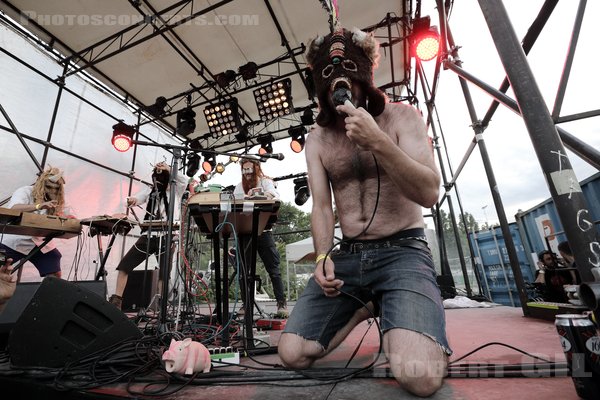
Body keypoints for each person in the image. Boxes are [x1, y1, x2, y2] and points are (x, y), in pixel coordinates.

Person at [277, 27, 450, 397]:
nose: (341, 91)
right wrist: (323, 255)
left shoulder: (404, 118)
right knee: (292, 352)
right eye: (331, 84)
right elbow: (323, 207)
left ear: (364, 80)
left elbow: (429, 192)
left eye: (349, 80)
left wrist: (379, 142)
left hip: (404, 250)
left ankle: (397, 306)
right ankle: (367, 303)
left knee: (419, 377)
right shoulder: (318, 140)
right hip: (350, 257)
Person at [108, 161, 187, 310]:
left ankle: (160, 307)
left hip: (167, 236)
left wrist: (168, 168)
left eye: (162, 178)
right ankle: (116, 302)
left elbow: (185, 180)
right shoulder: (150, 191)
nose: (158, 182)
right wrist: (130, 201)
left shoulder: (176, 190)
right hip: (149, 235)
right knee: (125, 265)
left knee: (164, 273)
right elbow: (134, 200)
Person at [233, 158, 288, 318]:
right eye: (244, 170)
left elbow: (276, 197)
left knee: (273, 269)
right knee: (244, 271)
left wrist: (260, 193)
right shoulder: (238, 187)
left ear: (256, 168)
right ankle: (246, 304)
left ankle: (281, 303)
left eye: (249, 170)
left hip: (264, 230)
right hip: (245, 231)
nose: (247, 174)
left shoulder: (266, 182)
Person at [0, 166, 67, 278]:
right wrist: (39, 206)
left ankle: (52, 294)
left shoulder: (57, 199)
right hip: (15, 240)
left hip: (39, 242)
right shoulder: (25, 191)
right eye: (49, 187)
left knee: (54, 264)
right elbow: (14, 208)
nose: (53, 190)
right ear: (41, 184)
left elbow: (64, 215)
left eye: (56, 188)